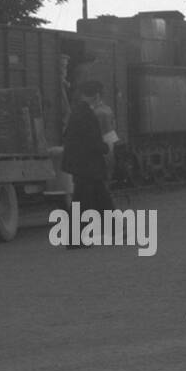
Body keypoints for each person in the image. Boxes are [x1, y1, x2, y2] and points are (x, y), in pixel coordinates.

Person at [61, 79, 115, 248]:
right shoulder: (86, 114)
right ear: (97, 96)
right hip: (86, 165)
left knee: (100, 197)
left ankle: (114, 230)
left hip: (83, 164)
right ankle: (75, 239)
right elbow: (92, 141)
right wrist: (105, 147)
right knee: (83, 202)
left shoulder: (78, 112)